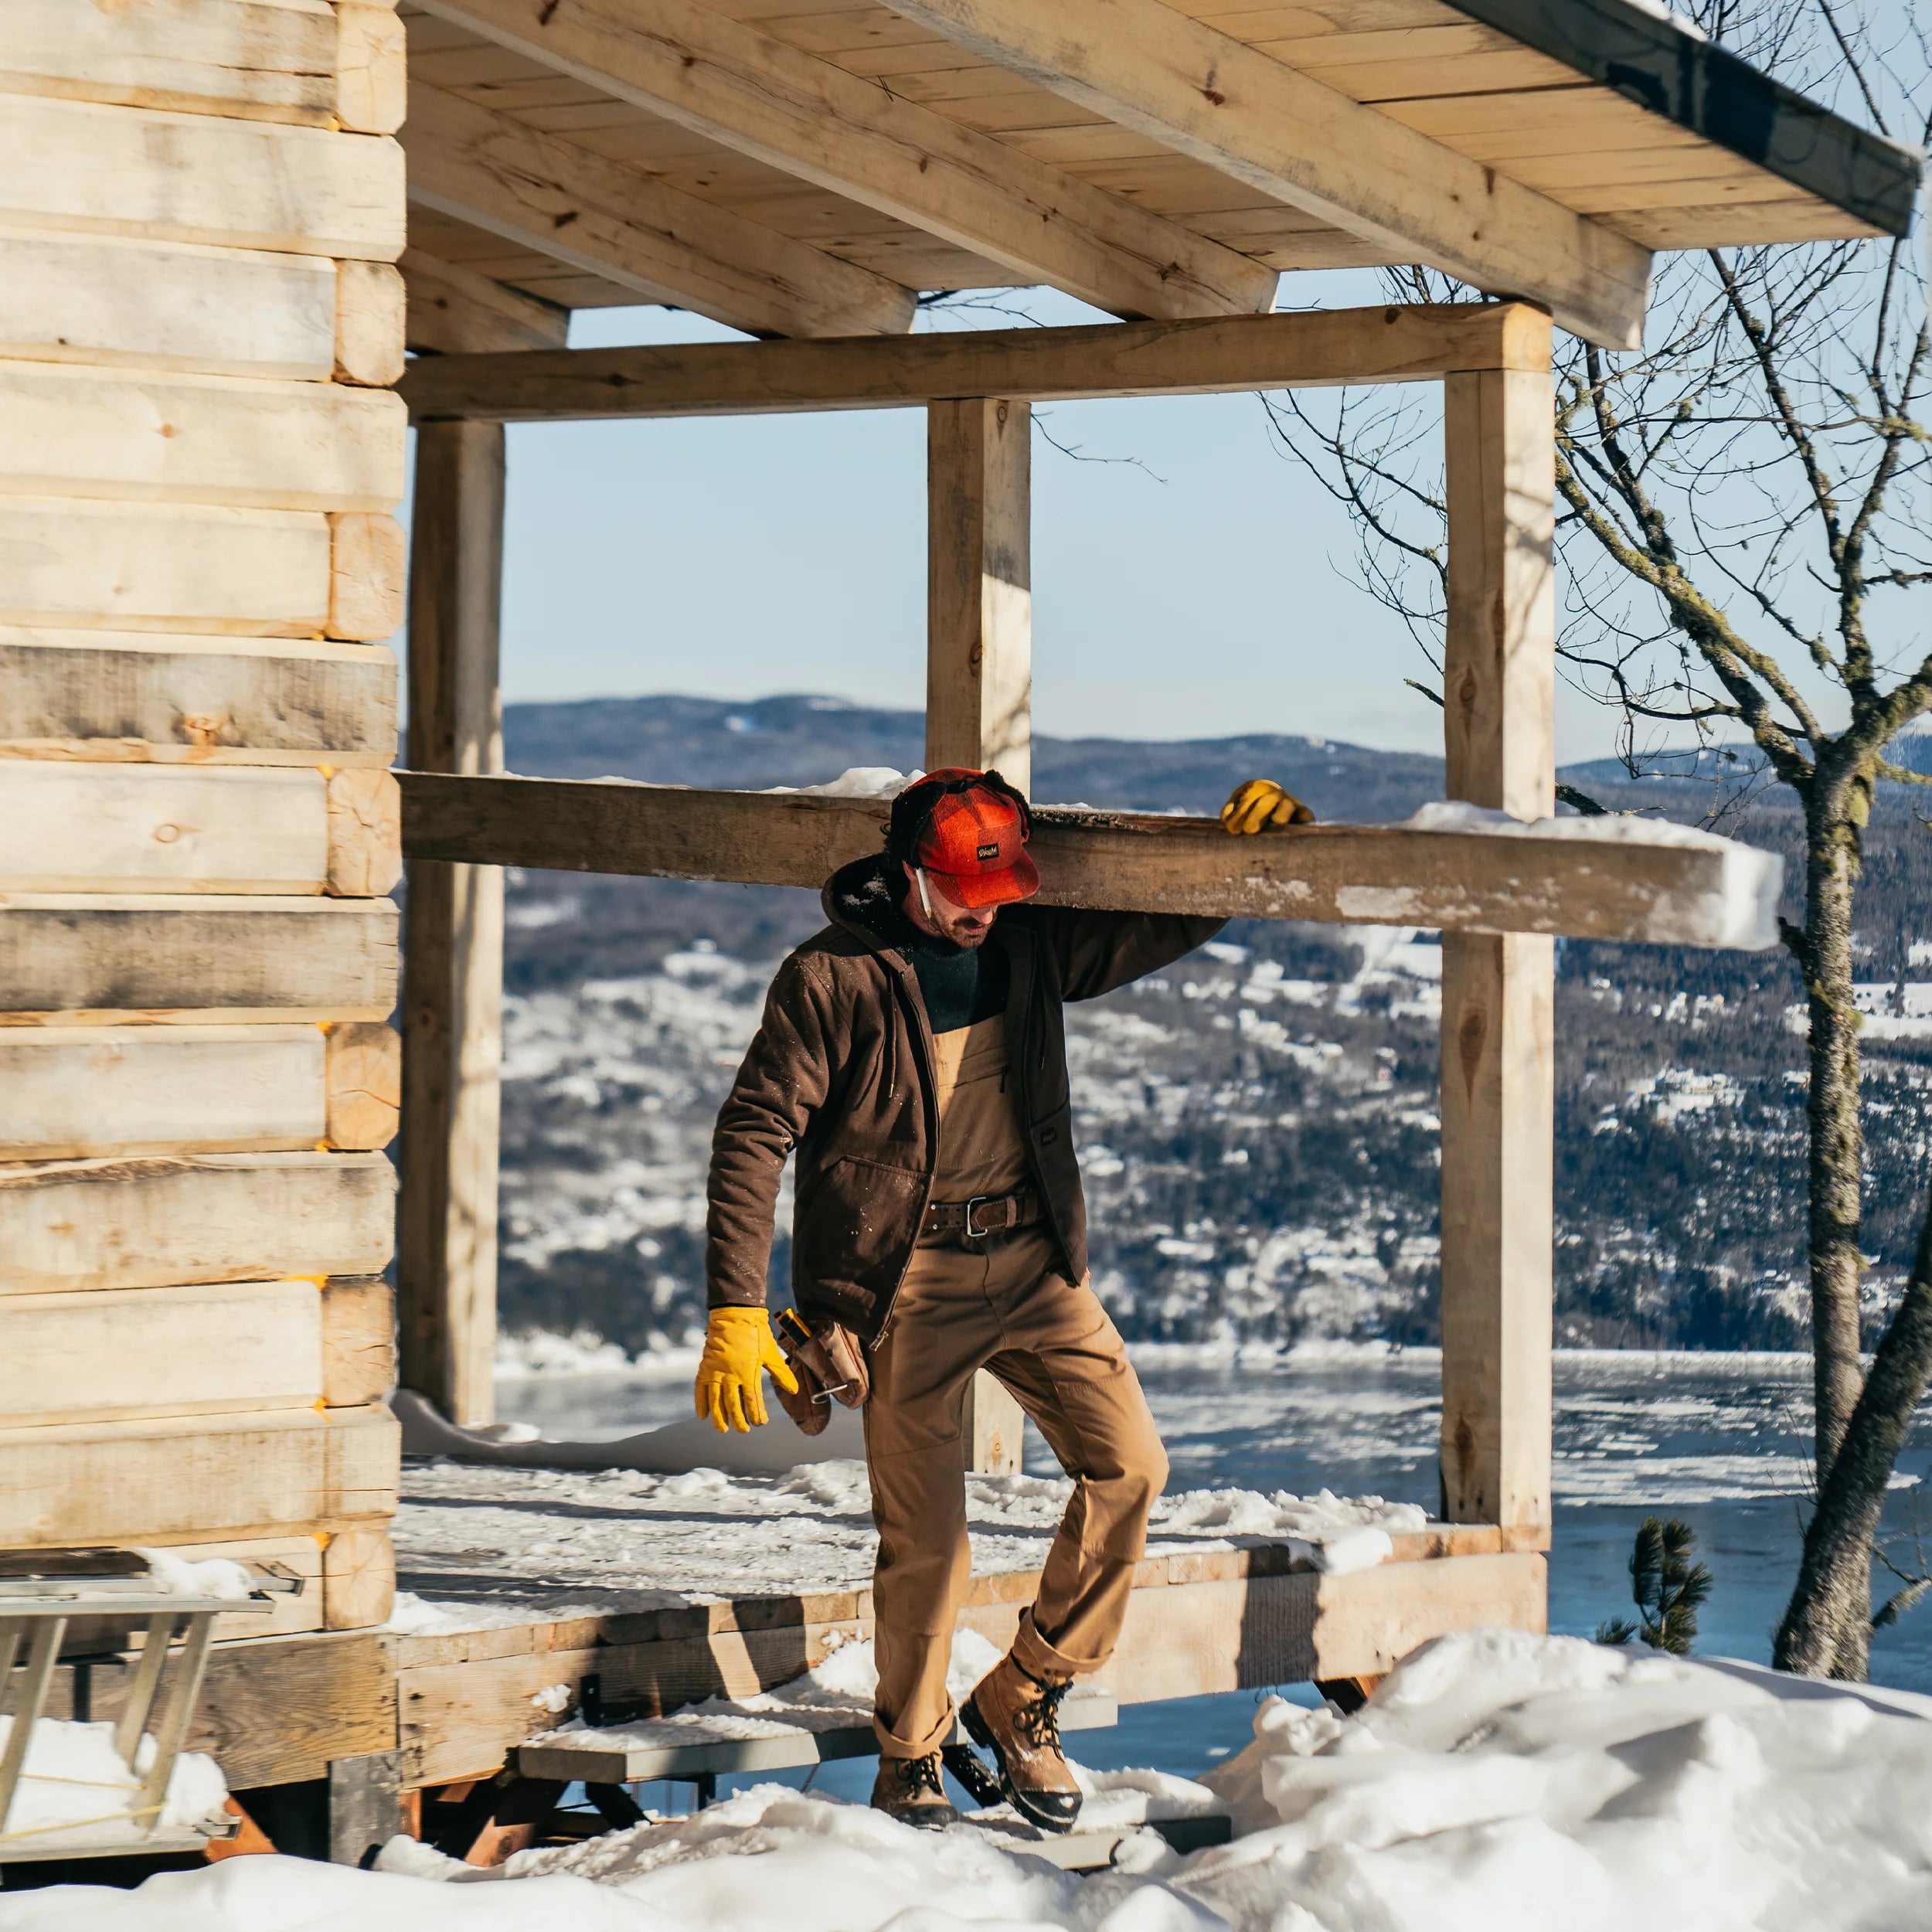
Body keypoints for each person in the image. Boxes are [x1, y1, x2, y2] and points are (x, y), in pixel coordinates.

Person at [696, 770, 1312, 1831]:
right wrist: (735, 1309)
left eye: (1000, 890)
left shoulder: (1027, 942)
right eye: (963, 892)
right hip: (907, 1283)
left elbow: (1152, 930)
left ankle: (1026, 1691)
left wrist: (1238, 858)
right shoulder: (833, 977)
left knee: (1132, 1470)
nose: (985, 911)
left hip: (1034, 1264)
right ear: (907, 877)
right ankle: (910, 1758)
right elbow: (754, 1132)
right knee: (928, 1542)